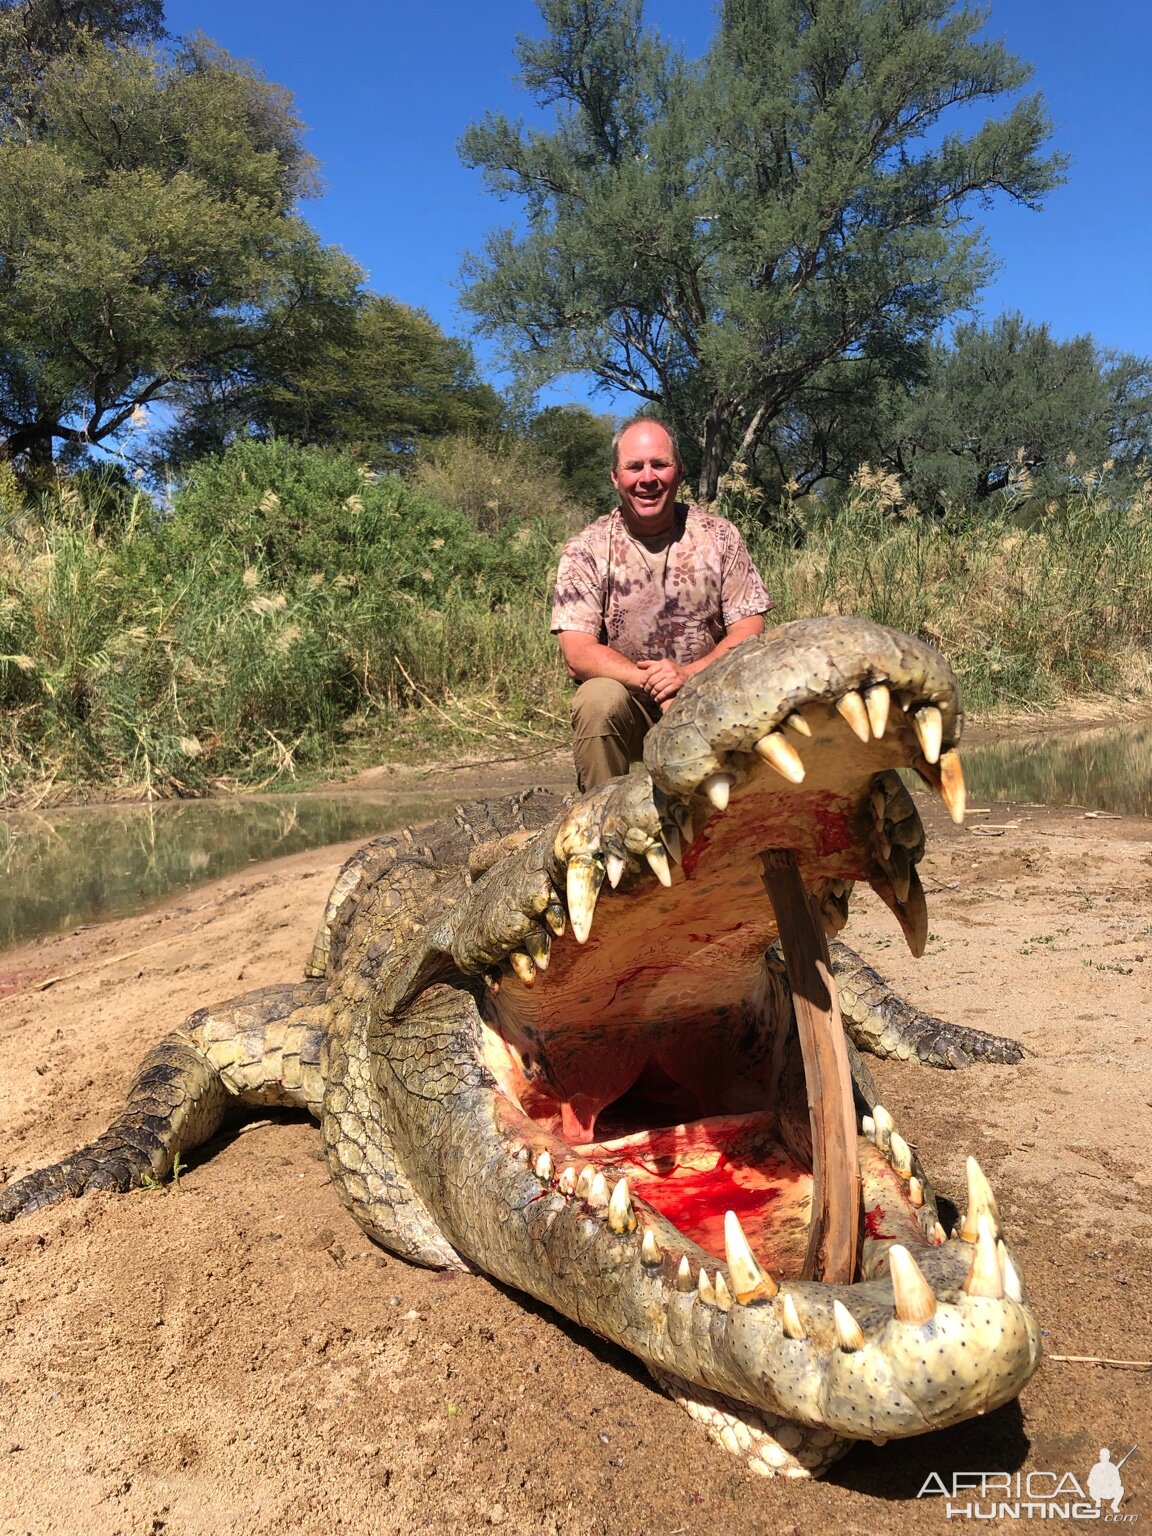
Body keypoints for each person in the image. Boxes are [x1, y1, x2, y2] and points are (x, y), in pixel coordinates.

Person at [551, 416, 772, 791]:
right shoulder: (585, 548)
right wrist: (655, 684)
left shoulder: (719, 536)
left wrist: (688, 678)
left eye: (660, 464)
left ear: (679, 472)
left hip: (709, 698)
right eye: (634, 467)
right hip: (632, 705)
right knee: (595, 700)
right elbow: (578, 652)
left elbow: (749, 629)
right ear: (615, 477)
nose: (647, 478)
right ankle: (601, 828)